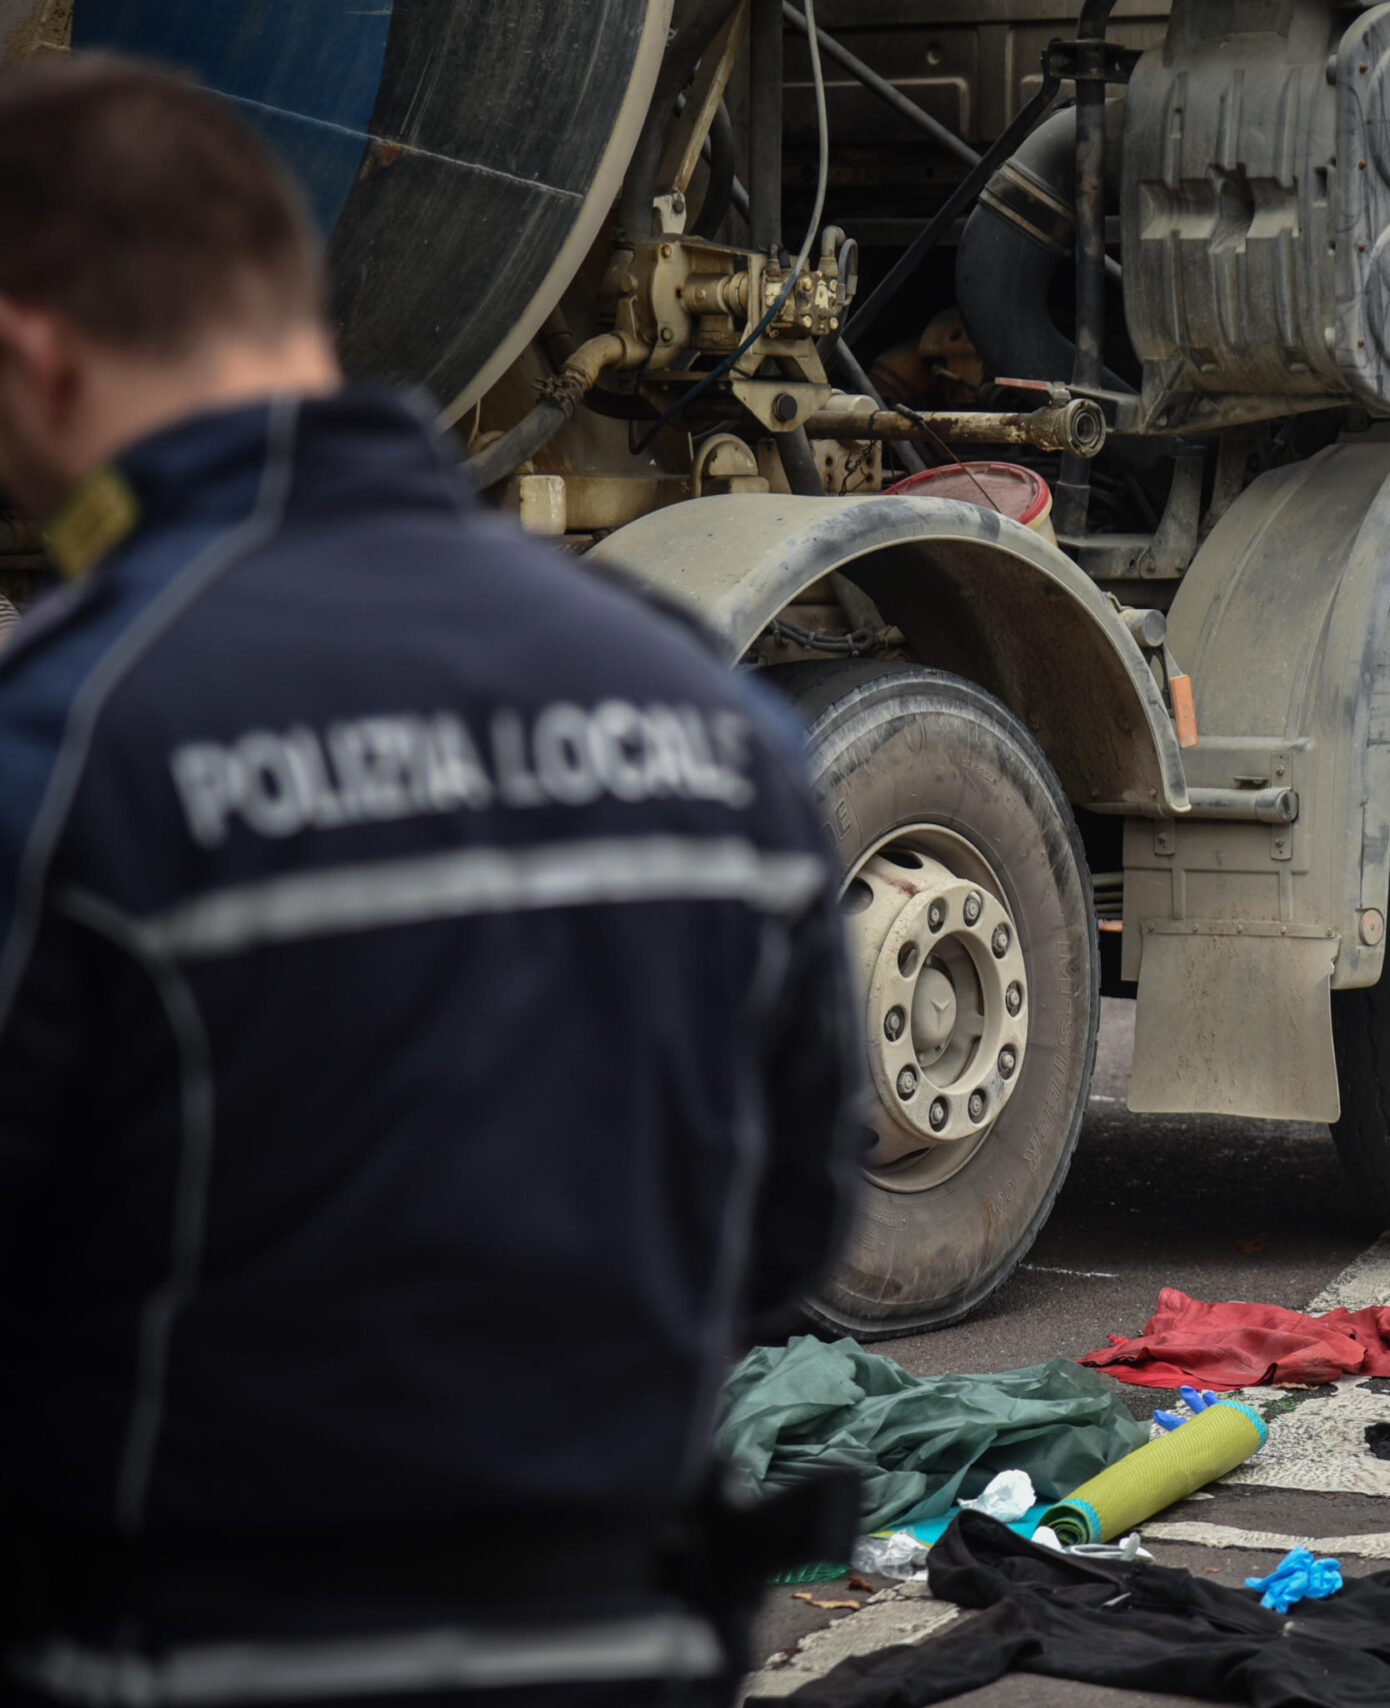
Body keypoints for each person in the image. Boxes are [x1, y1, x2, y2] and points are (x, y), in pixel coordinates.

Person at [0, 58, 860, 1707]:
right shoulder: (710, 719)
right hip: (621, 1649)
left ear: (33, 353)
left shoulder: (75, 737)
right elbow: (789, 1229)